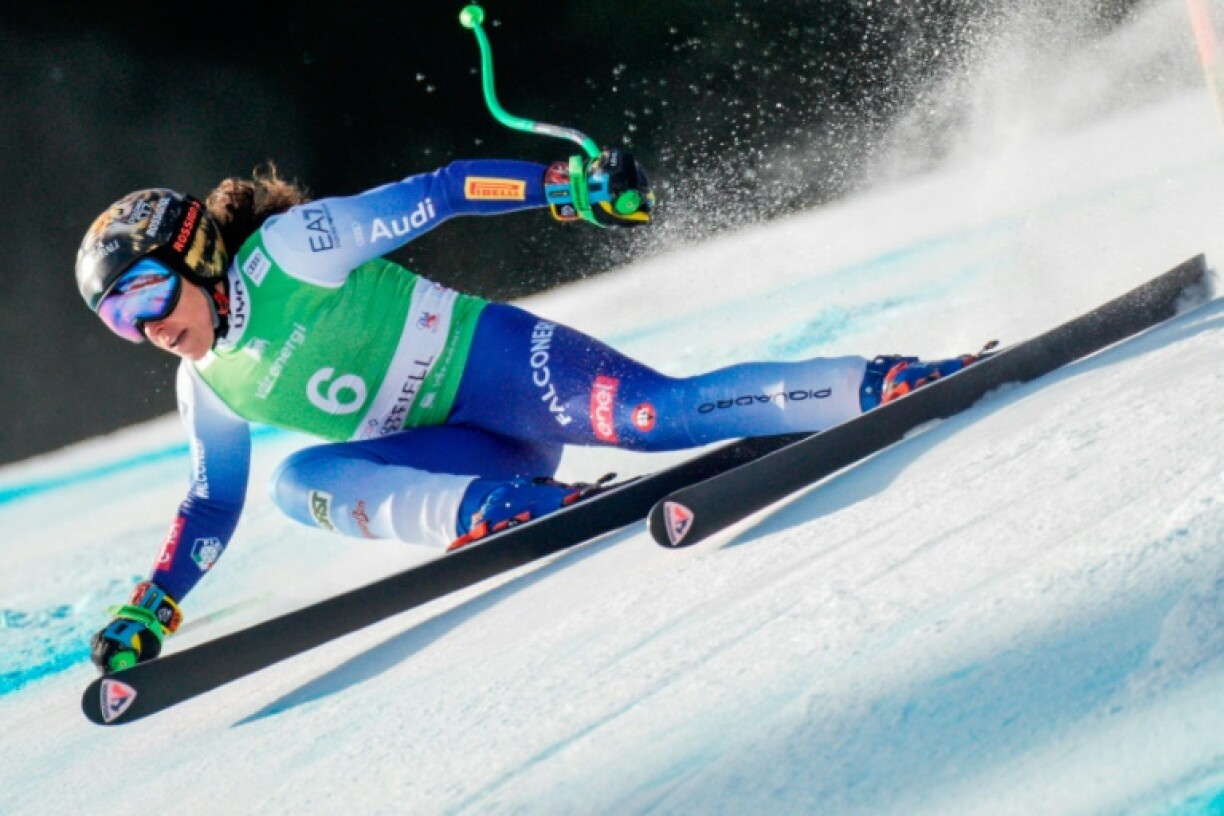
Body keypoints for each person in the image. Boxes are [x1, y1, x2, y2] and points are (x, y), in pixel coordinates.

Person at [77, 151, 978, 673]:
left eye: (147, 295)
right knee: (293, 482)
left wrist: (567, 185)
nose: (147, 328)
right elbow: (210, 505)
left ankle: (881, 382)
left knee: (656, 418)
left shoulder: (291, 252)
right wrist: (155, 606)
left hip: (500, 367)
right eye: (119, 321)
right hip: (473, 454)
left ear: (192, 253)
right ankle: (496, 513)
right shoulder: (207, 385)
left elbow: (446, 190)